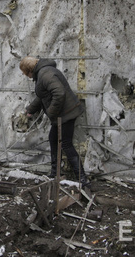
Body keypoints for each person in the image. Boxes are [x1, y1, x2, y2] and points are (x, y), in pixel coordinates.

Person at [20, 56, 90, 187]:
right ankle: (55, 173)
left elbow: (59, 93)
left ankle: (82, 179)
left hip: (66, 114)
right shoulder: (43, 72)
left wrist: (51, 112)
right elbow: (42, 96)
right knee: (53, 138)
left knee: (66, 144)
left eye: (26, 73)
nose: (27, 76)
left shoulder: (45, 74)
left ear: (30, 70)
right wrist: (30, 110)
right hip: (64, 113)